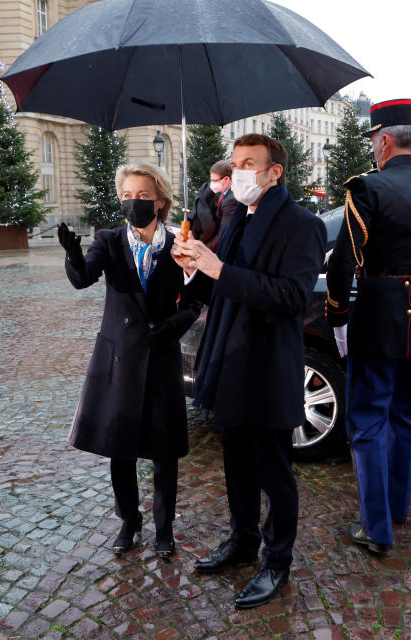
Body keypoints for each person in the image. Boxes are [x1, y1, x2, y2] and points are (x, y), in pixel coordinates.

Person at [171, 134, 327, 609]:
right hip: (227, 355)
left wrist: (219, 271)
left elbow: (292, 297)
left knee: (273, 469)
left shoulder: (303, 225)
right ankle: (241, 542)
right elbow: (219, 282)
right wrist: (190, 268)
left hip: (267, 361)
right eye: (236, 163)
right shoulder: (238, 215)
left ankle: (277, 560)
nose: (238, 173)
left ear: (274, 171)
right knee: (235, 459)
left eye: (248, 164)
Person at [324, 99, 411, 554]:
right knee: (407, 415)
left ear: (383, 140)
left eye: (372, 140)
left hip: (378, 316)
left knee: (368, 419)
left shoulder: (367, 189)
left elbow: (344, 261)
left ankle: (377, 528)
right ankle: (396, 509)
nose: (372, 148)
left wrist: (337, 317)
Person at [58, 163, 200, 561]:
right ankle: (128, 521)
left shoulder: (180, 242)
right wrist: (73, 256)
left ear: (161, 202)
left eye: (142, 196)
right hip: (119, 356)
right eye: (128, 195)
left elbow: (196, 301)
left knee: (164, 450)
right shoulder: (108, 239)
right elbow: (84, 277)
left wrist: (172, 325)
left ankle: (164, 526)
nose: (133, 203)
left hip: (161, 354)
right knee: (119, 447)